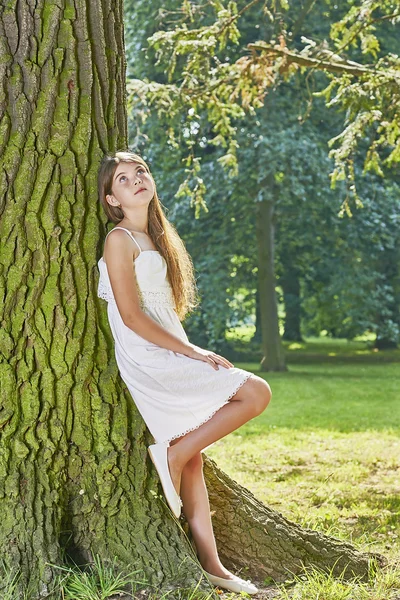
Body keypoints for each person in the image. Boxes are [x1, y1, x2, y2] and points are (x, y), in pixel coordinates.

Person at [97, 150, 272, 595]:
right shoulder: (119, 240)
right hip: (146, 354)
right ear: (111, 198)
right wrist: (192, 351)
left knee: (193, 455)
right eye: (123, 178)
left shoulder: (158, 237)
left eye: (141, 172)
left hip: (168, 345)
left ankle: (214, 568)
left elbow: (163, 312)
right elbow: (133, 317)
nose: (136, 180)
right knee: (255, 392)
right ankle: (170, 456)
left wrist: (186, 346)